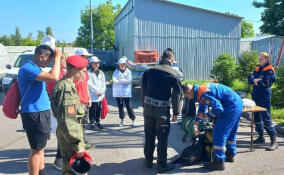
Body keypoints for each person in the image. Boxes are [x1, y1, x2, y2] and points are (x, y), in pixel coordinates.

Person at [18, 35, 61, 175]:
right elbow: (54, 77)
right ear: (41, 56)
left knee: (40, 147)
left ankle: (42, 172)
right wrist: (58, 58)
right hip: (34, 113)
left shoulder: (36, 68)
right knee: (36, 150)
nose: (50, 63)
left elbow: (53, 74)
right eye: (49, 59)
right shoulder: (27, 68)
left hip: (41, 112)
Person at [183, 83, 243, 171]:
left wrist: (206, 115)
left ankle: (219, 162)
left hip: (230, 106)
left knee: (218, 133)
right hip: (237, 103)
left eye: (187, 96)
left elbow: (218, 109)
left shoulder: (203, 94)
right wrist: (196, 124)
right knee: (231, 132)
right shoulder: (201, 90)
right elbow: (202, 108)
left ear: (188, 91)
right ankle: (230, 154)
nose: (189, 98)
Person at [141, 48, 183, 173]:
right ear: (172, 60)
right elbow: (177, 95)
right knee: (162, 137)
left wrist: (144, 105)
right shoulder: (174, 73)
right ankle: (162, 164)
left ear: (161, 58)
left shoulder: (148, 71)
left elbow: (143, 89)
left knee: (149, 134)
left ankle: (148, 160)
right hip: (162, 109)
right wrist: (176, 113)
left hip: (148, 107)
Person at [51, 55, 89, 175]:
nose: (84, 74)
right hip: (70, 137)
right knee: (75, 171)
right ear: (74, 69)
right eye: (82, 71)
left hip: (68, 135)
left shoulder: (68, 85)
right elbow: (68, 121)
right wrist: (78, 144)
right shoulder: (66, 89)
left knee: (70, 170)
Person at [248, 52, 278, 151]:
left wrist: (256, 80)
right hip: (255, 94)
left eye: (261, 59)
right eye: (259, 59)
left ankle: (274, 141)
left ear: (266, 59)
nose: (259, 60)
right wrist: (257, 80)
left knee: (266, 116)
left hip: (264, 95)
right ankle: (261, 137)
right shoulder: (258, 68)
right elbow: (250, 79)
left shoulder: (270, 70)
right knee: (256, 116)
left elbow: (265, 83)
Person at [46, 52, 68, 170]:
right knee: (61, 135)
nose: (67, 62)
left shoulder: (63, 73)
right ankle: (58, 160)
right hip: (57, 107)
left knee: (64, 135)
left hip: (63, 107)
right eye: (65, 60)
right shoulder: (55, 74)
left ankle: (61, 159)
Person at [75, 48, 94, 149]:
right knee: (77, 124)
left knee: (84, 123)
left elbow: (85, 84)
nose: (88, 59)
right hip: (78, 102)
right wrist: (78, 102)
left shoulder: (85, 69)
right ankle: (78, 144)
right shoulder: (74, 69)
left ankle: (83, 141)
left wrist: (89, 98)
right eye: (86, 57)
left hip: (85, 100)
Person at [112, 57, 137, 127]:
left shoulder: (128, 72)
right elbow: (114, 80)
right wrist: (123, 81)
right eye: (121, 64)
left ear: (125, 65)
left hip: (126, 93)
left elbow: (129, 81)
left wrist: (119, 81)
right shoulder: (116, 72)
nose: (122, 65)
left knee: (129, 106)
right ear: (118, 65)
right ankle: (122, 120)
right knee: (120, 107)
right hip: (118, 93)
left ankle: (133, 120)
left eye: (123, 64)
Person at [87, 56, 106, 131]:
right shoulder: (88, 73)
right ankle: (92, 123)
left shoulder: (101, 72)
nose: (97, 64)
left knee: (98, 109)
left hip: (100, 95)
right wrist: (97, 91)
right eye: (95, 63)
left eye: (98, 63)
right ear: (91, 64)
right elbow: (89, 84)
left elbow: (104, 83)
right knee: (93, 110)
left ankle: (97, 122)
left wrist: (102, 91)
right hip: (93, 95)